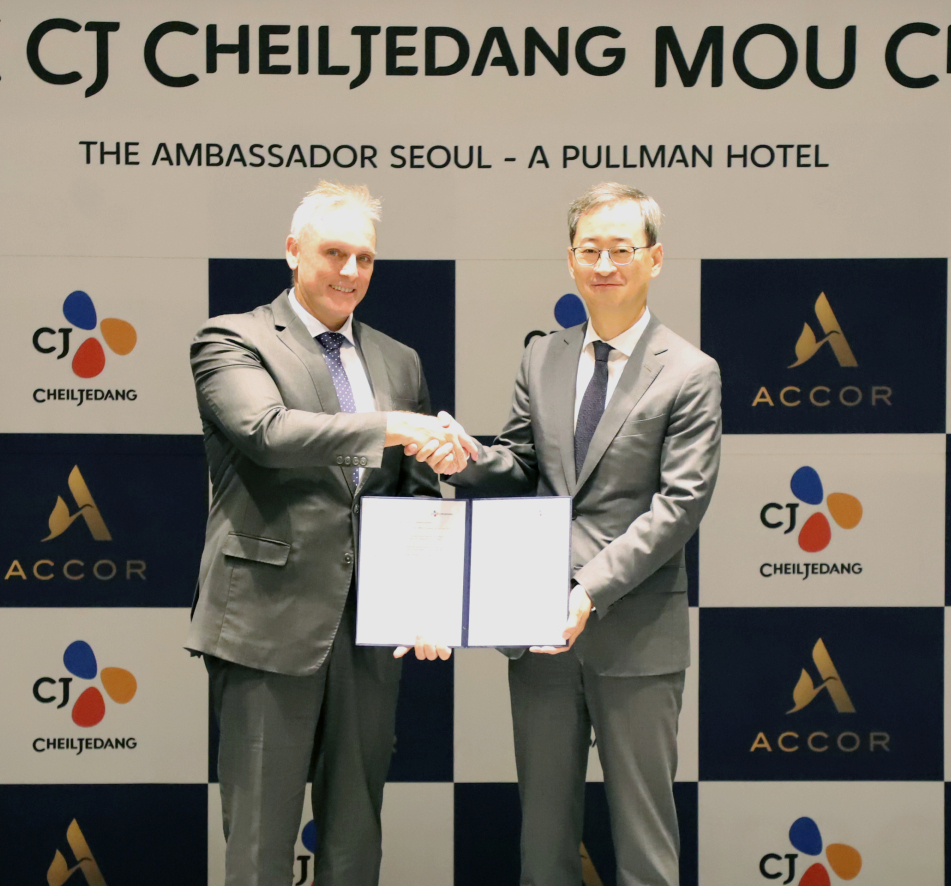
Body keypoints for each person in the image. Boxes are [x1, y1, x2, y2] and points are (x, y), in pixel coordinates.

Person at [422, 183, 721, 885]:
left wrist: (587, 590)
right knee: (543, 835)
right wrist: (465, 459)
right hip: (536, 630)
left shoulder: (689, 371)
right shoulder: (542, 357)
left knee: (645, 842)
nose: (604, 264)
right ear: (570, 260)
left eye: (621, 249)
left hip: (633, 632)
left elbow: (679, 505)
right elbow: (522, 463)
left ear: (654, 259)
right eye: (590, 250)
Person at [186, 181, 473, 886]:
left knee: (355, 838)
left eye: (365, 258)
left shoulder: (399, 360)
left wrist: (427, 601)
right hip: (266, 622)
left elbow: (413, 494)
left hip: (369, 630)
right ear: (293, 251)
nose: (350, 271)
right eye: (334, 253)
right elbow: (267, 433)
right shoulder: (232, 338)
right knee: (260, 843)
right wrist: (392, 426)